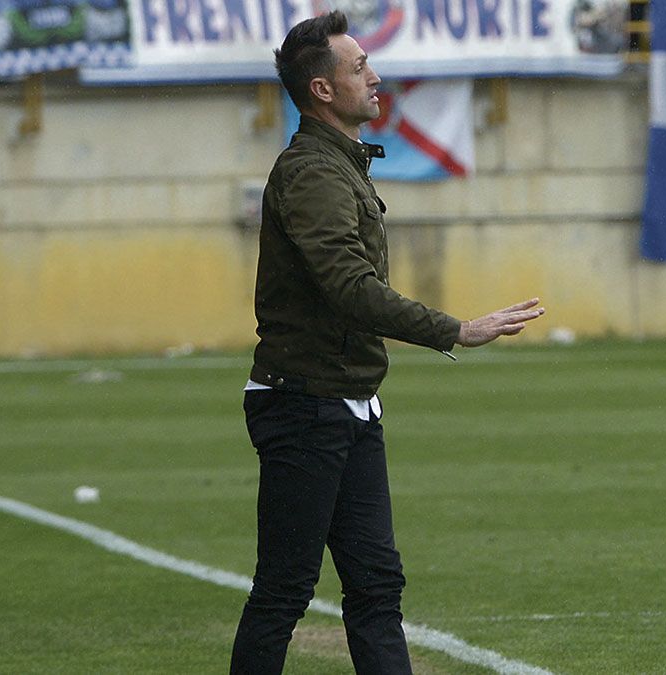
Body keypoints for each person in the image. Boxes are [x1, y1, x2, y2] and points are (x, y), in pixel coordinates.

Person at [230, 11, 545, 674]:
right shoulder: (313, 174)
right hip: (304, 405)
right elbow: (348, 285)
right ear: (322, 90)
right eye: (359, 67)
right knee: (285, 591)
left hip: (347, 401)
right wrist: (454, 329)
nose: (376, 77)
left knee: (376, 587)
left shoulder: (338, 165)